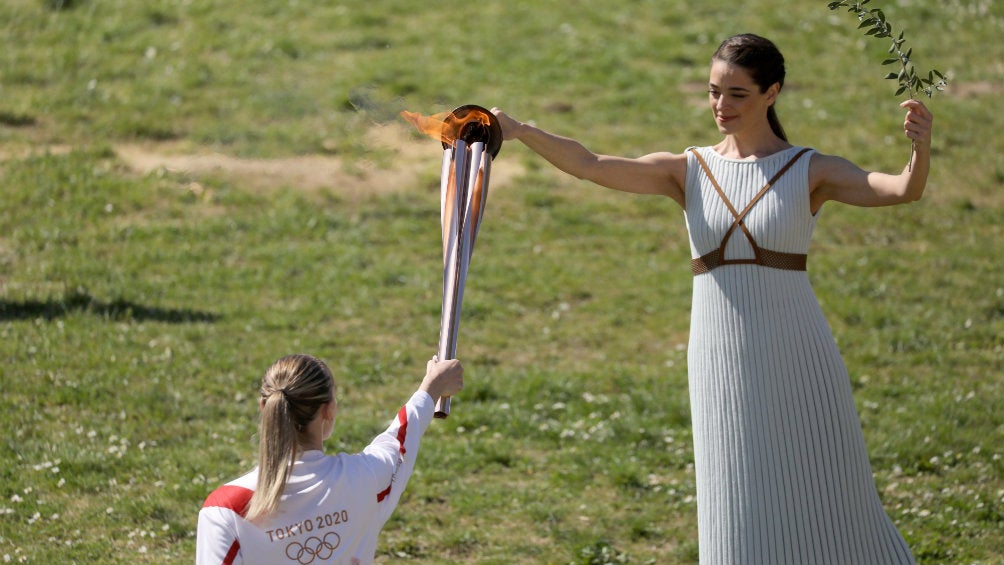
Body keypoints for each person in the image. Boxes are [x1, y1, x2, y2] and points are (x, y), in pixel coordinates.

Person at [492, 33, 932, 565]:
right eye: (714, 91)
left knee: (828, 491)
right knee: (735, 498)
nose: (721, 106)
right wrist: (519, 131)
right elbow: (592, 164)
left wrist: (919, 148)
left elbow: (902, 189)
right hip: (719, 358)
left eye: (738, 94)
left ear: (772, 93)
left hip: (799, 356)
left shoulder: (808, 169)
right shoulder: (690, 169)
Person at [196, 354, 463, 565]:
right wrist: (432, 387)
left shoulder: (225, 508)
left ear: (264, 408)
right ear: (328, 410)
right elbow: (402, 435)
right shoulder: (365, 480)